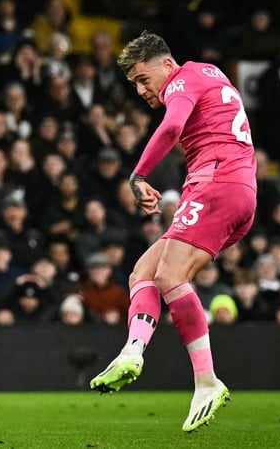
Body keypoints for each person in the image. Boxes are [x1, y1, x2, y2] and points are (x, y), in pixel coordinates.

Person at [89, 31, 257, 432]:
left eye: (143, 79)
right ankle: (133, 350)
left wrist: (138, 174)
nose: (141, 90)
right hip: (238, 188)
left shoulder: (182, 79)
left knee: (169, 276)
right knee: (142, 273)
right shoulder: (211, 73)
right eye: (134, 85)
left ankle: (206, 381)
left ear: (166, 64)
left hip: (216, 180)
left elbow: (171, 127)